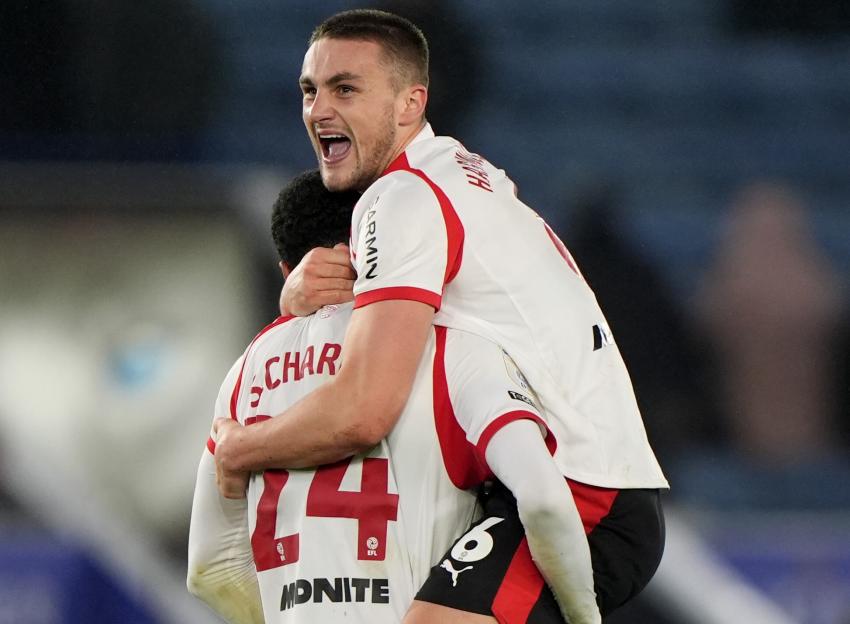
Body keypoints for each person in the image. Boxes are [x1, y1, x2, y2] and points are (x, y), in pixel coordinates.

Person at [214, 9, 668, 622]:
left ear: (409, 104)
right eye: (309, 90)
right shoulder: (457, 174)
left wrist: (242, 449)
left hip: (579, 490)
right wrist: (307, 294)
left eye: (345, 88)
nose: (319, 109)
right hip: (573, 478)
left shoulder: (400, 198)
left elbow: (362, 410)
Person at [189, 170, 605, 623]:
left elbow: (208, 568)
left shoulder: (244, 374)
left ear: (287, 271)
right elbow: (543, 497)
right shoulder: (448, 349)